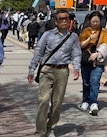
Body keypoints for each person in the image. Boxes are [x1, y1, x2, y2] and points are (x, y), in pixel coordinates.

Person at [27, 8, 82, 137]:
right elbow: (38, 52)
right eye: (60, 19)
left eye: (66, 19)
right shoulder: (48, 35)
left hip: (62, 71)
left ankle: (51, 127)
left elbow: (76, 53)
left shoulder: (73, 37)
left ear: (69, 21)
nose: (64, 21)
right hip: (47, 70)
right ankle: (40, 131)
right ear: (56, 21)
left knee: (57, 102)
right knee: (43, 100)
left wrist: (76, 68)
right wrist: (31, 69)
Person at [78, 11, 107, 115]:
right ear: (89, 21)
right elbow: (81, 45)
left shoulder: (103, 32)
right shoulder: (85, 31)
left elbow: (106, 45)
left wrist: (98, 53)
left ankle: (93, 102)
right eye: (93, 21)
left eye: (97, 21)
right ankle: (85, 100)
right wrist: (89, 39)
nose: (95, 23)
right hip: (86, 60)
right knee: (86, 82)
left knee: (94, 81)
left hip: (98, 61)